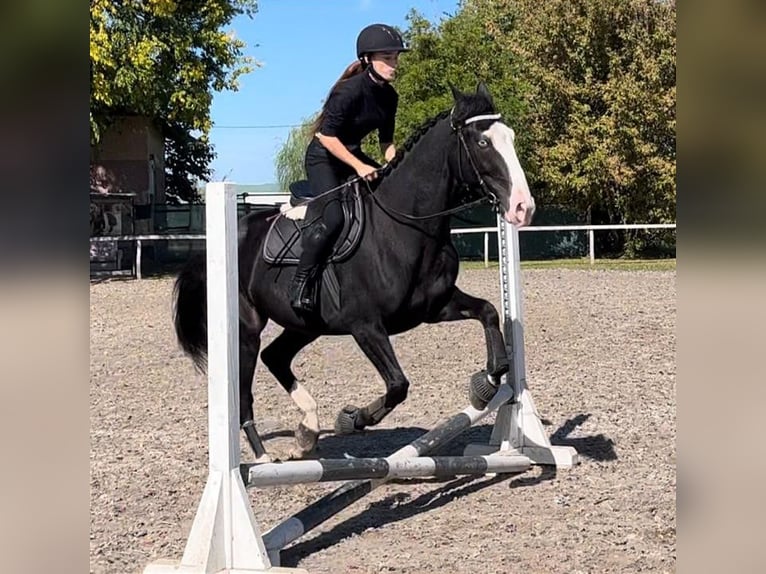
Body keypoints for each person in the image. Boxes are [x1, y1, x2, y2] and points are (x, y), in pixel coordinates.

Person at [288, 23, 409, 315]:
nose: (394, 64)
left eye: (396, 58)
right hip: (324, 158)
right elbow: (325, 137)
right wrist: (359, 166)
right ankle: (301, 283)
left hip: (353, 155)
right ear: (368, 59)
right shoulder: (348, 91)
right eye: (387, 58)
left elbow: (386, 143)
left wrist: (396, 164)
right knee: (334, 216)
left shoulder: (389, 97)